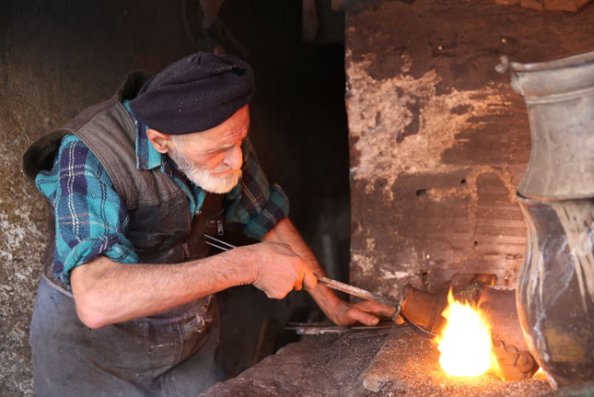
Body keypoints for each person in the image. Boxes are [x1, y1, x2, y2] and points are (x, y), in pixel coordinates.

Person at [23, 52, 391, 396]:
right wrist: (249, 264)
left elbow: (265, 215)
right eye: (218, 152)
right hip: (96, 357)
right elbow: (96, 299)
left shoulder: (222, 137)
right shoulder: (91, 155)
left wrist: (334, 306)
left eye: (240, 142)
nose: (236, 161)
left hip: (186, 342)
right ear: (160, 141)